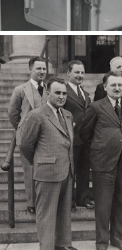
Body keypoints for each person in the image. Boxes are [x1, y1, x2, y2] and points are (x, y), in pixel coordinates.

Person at [80, 72, 122, 250]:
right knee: (103, 205)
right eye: (113, 85)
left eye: (120, 85)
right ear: (105, 87)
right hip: (103, 162)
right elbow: (85, 133)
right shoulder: (95, 107)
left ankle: (118, 239)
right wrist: (101, 149)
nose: (117, 88)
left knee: (121, 202)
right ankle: (102, 242)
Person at [17, 78, 76, 250]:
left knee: (64, 213)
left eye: (64, 93)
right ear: (47, 93)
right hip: (47, 173)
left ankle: (62, 245)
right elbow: (25, 145)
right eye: (57, 93)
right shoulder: (37, 115)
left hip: (66, 171)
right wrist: (40, 162)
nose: (61, 96)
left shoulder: (67, 114)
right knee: (47, 216)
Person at [7, 56, 48, 214]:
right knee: (29, 171)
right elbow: (13, 113)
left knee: (44, 170)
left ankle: (43, 201)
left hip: (45, 137)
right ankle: (31, 203)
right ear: (30, 69)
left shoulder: (49, 89)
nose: (42, 71)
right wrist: (23, 129)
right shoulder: (20, 89)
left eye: (44, 69)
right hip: (27, 139)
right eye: (38, 68)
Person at [64, 60, 95, 209]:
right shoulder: (63, 91)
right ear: (68, 73)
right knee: (69, 172)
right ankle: (69, 200)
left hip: (85, 140)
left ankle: (83, 198)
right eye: (77, 72)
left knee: (84, 170)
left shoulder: (86, 94)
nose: (80, 75)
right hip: (70, 139)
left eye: (82, 72)